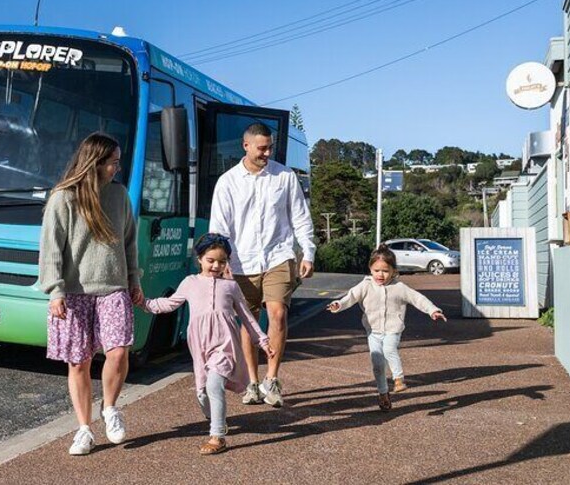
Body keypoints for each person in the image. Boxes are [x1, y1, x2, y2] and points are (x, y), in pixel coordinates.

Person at [39, 132, 143, 456]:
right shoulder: (63, 198)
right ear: (95, 163)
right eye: (113, 162)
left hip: (113, 286)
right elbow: (51, 249)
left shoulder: (119, 195)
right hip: (73, 291)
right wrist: (54, 290)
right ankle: (84, 430)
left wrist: (134, 280)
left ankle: (109, 408)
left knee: (119, 352)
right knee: (78, 362)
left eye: (118, 163)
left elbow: (129, 243)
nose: (117, 168)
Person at [135, 233, 274, 455]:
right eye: (211, 260)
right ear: (199, 259)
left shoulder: (231, 287)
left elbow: (247, 317)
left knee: (214, 384)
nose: (216, 266)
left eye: (222, 261)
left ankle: (217, 436)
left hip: (225, 346)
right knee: (202, 392)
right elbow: (170, 304)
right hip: (199, 347)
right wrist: (145, 304)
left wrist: (263, 340)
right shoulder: (189, 283)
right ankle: (215, 419)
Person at [209, 122, 315, 408]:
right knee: (249, 323)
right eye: (262, 148)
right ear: (246, 146)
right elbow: (219, 227)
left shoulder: (284, 177)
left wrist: (308, 252)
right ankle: (252, 383)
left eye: (270, 147)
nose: (267, 153)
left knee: (278, 314)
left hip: (279, 255)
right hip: (241, 261)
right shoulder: (228, 182)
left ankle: (272, 379)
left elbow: (300, 217)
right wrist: (222, 261)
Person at [327, 244, 447, 411]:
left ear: (393, 271)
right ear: (370, 269)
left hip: (393, 328)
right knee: (377, 364)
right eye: (376, 270)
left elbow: (418, 299)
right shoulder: (366, 285)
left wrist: (432, 310)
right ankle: (383, 393)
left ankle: (399, 380)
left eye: (385, 271)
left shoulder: (399, 287)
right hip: (373, 331)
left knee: (389, 348)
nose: (380, 275)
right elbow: (350, 297)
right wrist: (338, 304)